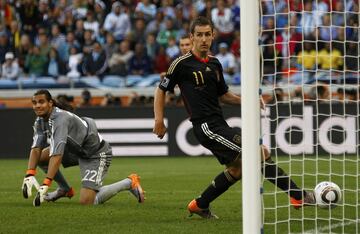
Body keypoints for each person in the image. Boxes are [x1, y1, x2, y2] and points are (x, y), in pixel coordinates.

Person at [153, 16, 315, 219]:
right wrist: (159, 120)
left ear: (213, 36)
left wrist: (247, 101)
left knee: (237, 170)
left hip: (219, 123)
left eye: (207, 35)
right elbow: (161, 90)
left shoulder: (215, 63)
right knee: (259, 152)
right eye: (199, 35)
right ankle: (298, 196)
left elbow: (223, 95)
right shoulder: (181, 64)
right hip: (205, 127)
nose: (203, 39)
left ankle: (200, 204)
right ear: (191, 37)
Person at [22, 89, 145, 206]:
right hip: (75, 151)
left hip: (95, 154)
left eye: (41, 102)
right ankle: (64, 189)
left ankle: (129, 182)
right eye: (34, 103)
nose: (37, 106)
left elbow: (57, 153)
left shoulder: (60, 119)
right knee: (41, 157)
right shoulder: (40, 121)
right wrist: (29, 174)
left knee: (87, 201)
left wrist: (46, 183)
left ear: (50, 103)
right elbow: (36, 148)